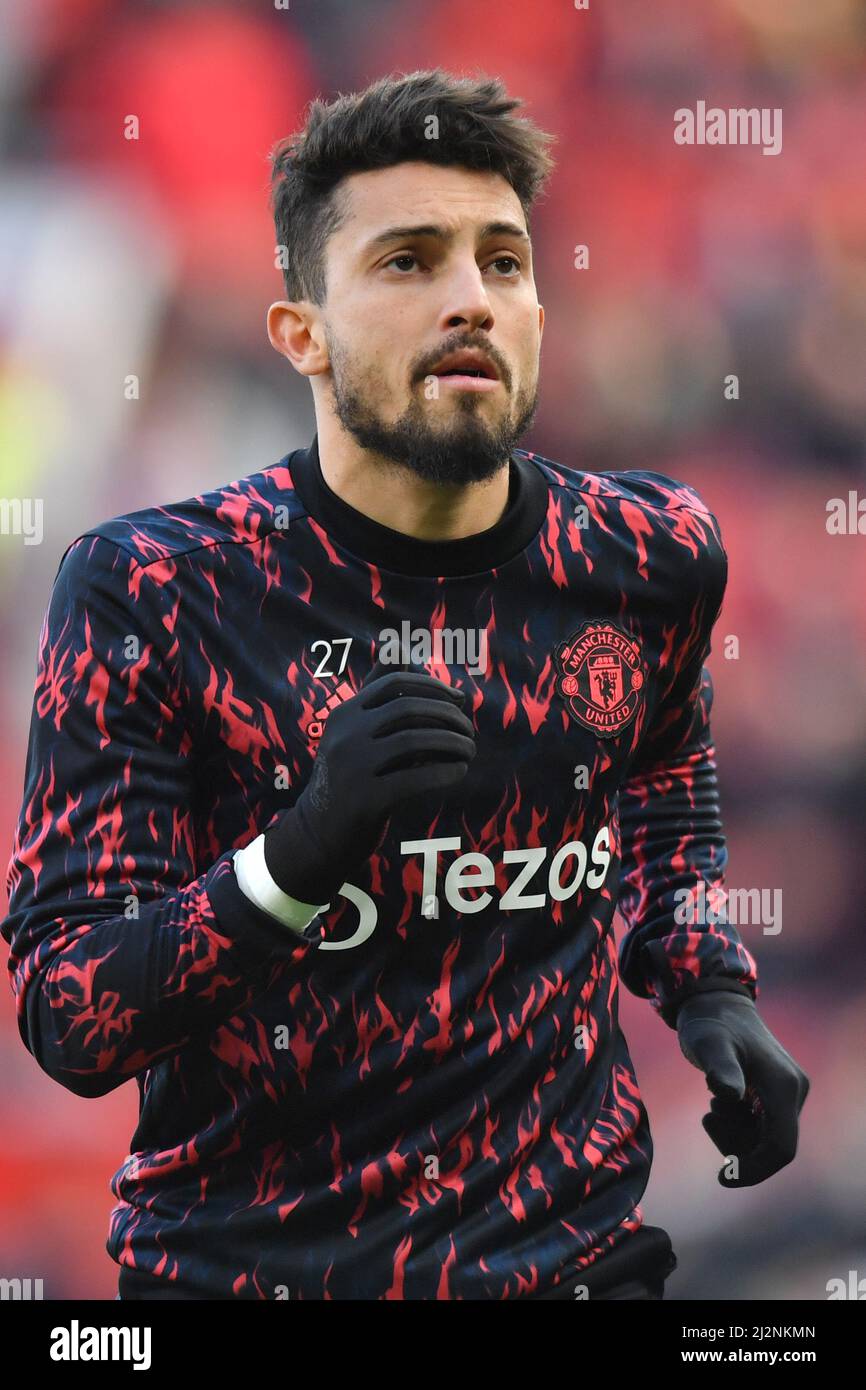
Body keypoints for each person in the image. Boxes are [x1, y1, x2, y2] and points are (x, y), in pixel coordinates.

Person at [2, 68, 809, 1301]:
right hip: (245, 1276)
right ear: (300, 333)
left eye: (502, 260)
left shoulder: (648, 557)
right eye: (407, 261)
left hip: (578, 1266)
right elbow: (70, 1017)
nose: (470, 300)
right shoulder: (153, 590)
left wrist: (703, 977)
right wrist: (295, 857)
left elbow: (658, 781)